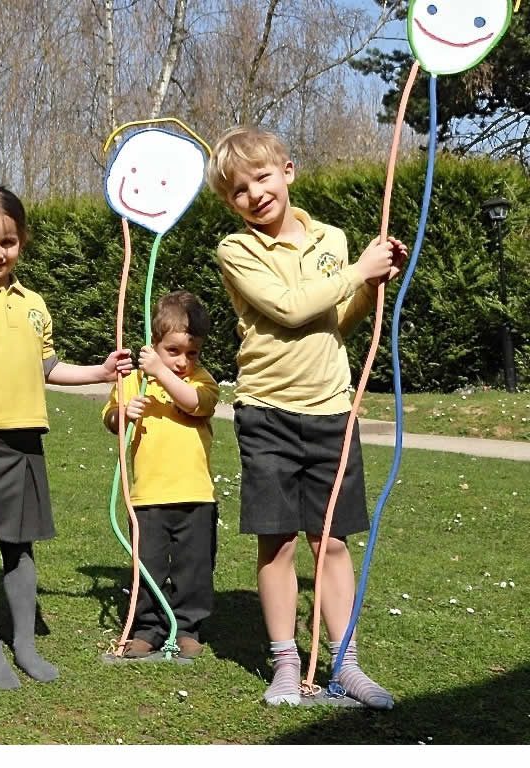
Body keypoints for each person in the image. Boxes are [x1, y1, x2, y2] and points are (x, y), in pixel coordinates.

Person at [206, 126, 407, 709]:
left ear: (288, 171)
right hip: (267, 412)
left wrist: (369, 283)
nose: (255, 194)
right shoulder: (236, 250)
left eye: (263, 178)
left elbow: (334, 321)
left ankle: (344, 662)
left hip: (331, 411)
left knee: (331, 542)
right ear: (230, 202)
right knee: (277, 543)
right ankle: (287, 662)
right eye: (239, 190)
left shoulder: (333, 239)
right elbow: (290, 310)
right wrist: (354, 271)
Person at [0, 186, 133, 689]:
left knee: (21, 549)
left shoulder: (36, 304)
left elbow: (49, 367)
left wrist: (100, 372)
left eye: (8, 242)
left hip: (26, 444)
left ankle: (24, 643)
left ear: (22, 242)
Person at [102, 291, 220, 660]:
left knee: (194, 568)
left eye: (192, 352)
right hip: (149, 497)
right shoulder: (135, 380)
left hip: (196, 495)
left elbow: (195, 403)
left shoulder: (201, 381)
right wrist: (123, 412)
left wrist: (161, 371)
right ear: (155, 343)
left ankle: (187, 627)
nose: (184, 361)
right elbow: (109, 418)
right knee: (148, 566)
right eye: (174, 351)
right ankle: (147, 628)